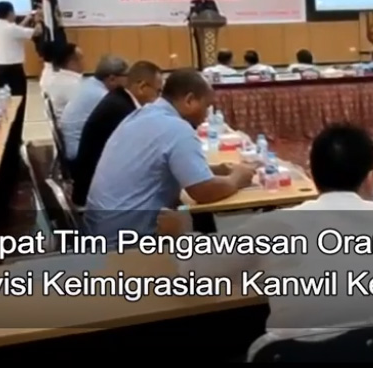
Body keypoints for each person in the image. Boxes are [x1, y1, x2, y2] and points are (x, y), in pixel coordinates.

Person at [162, 123, 373, 334]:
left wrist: (180, 235)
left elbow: (198, 272)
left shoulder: (275, 227)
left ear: (311, 174)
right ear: (371, 176)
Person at [85, 69, 257, 244]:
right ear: (189, 100)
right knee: (238, 245)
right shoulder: (177, 128)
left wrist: (214, 170)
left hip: (101, 231)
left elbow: (160, 167)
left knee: (197, 219)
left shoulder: (141, 115)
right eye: (206, 106)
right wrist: (237, 178)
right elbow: (204, 192)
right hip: (128, 243)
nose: (206, 116)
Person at [72, 61, 164, 206]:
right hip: (99, 198)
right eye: (157, 92)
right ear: (142, 87)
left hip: (96, 187)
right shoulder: (122, 111)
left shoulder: (119, 100)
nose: (159, 98)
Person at [59, 55, 129, 162]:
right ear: (112, 79)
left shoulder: (89, 83)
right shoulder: (102, 96)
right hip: (79, 156)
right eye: (127, 76)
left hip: (72, 146)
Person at [0, 1, 42, 96]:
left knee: (5, 100)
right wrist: (39, 20)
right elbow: (37, 32)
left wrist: (27, 19)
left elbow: (16, 30)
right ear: (10, 13)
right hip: (13, 71)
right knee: (18, 98)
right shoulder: (12, 29)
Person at [43, 43, 85, 119]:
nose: (84, 62)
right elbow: (84, 110)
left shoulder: (56, 79)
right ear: (72, 63)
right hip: (73, 123)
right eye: (81, 58)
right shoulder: (72, 84)